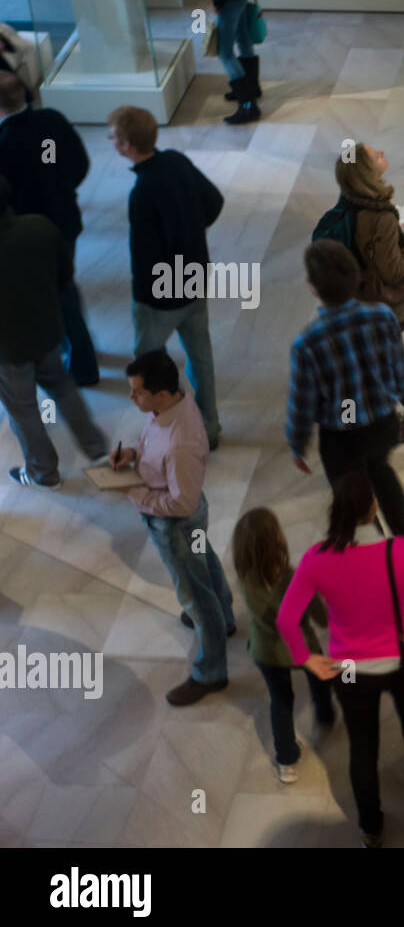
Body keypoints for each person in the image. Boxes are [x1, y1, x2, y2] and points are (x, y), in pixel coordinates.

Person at [277, 471, 404, 848]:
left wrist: (305, 658)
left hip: (350, 669)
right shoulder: (401, 551)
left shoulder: (316, 559)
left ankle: (370, 827)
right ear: (374, 508)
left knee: (362, 746)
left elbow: (285, 618)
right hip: (400, 659)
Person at [110, 350, 236, 706]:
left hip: (177, 528)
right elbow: (154, 445)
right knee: (206, 562)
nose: (131, 398)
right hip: (190, 525)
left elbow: (182, 503)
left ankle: (211, 672)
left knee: (195, 598)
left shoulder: (181, 443)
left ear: (161, 394)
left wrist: (133, 492)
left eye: (137, 392)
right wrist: (134, 454)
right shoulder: (171, 405)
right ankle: (224, 618)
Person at [287, 239, 404, 546]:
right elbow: (401, 370)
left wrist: (298, 443)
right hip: (381, 426)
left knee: (352, 501)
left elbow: (303, 402)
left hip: (341, 440)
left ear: (312, 287)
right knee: (380, 470)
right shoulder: (381, 316)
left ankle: (370, 552)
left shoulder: (308, 342)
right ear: (355, 276)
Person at [108, 105, 224, 450]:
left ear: (127, 144)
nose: (110, 140)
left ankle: (169, 429)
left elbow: (143, 255)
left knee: (147, 370)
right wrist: (190, 232)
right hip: (194, 279)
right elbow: (214, 201)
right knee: (200, 355)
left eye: (113, 136)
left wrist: (143, 297)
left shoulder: (142, 191)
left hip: (159, 298)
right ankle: (210, 427)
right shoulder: (175, 160)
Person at [0, 176, 108, 489]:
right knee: (63, 387)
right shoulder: (41, 227)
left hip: (9, 350)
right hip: (48, 331)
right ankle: (97, 450)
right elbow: (64, 278)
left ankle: (43, 472)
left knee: (24, 410)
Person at [0, 72, 99, 386]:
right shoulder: (52, 121)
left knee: (60, 294)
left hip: (32, 236)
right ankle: (80, 349)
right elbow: (78, 164)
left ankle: (82, 363)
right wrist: (60, 189)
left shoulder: (4, 143)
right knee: (64, 285)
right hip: (65, 220)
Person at [232, 506, 336, 784]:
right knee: (322, 675)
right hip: (302, 647)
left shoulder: (246, 580)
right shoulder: (293, 577)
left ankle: (286, 759)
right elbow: (322, 619)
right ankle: (325, 713)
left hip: (265, 652)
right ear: (278, 541)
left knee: (281, 700)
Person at [334, 143, 404, 330]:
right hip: (381, 304)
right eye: (376, 156)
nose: (382, 151)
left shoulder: (347, 200)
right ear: (368, 174)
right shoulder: (381, 218)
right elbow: (392, 272)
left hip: (355, 296)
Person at [200, 0, 261, 125]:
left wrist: (218, 1)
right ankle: (251, 88)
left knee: (225, 52)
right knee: (243, 38)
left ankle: (248, 106)